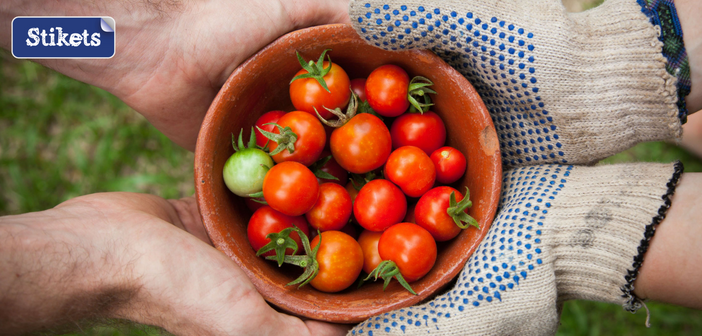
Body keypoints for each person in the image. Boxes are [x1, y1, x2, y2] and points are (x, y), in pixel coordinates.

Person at [0, 0, 701, 335]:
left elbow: (25, 25)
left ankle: (670, 96)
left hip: (393, 194)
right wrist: (106, 263)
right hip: (387, 209)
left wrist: (109, 34)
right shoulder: (323, 182)